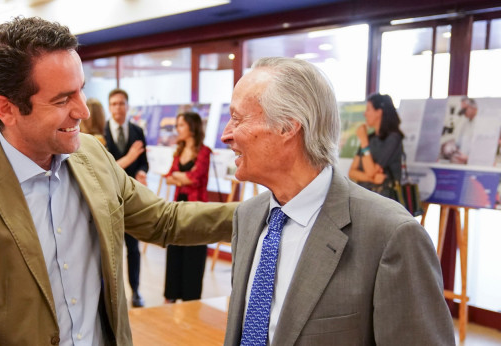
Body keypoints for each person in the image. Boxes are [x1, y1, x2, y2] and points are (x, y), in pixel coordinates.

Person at [0, 17, 235, 346]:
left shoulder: (92, 155)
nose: (82, 110)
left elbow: (164, 220)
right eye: (62, 99)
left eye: (81, 90)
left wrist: (264, 211)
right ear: (6, 109)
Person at [220, 57, 454, 345]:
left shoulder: (390, 235)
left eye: (238, 118)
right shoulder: (248, 217)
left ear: (287, 127)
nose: (225, 135)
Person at [103, 88, 149, 308]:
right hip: (107, 200)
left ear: (127, 106)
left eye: (121, 104)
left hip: (131, 199)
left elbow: (144, 162)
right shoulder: (99, 135)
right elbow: (103, 169)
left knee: (133, 248)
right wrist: (129, 157)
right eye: (113, 104)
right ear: (109, 107)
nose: (118, 108)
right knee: (110, 250)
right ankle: (113, 294)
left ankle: (136, 290)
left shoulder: (137, 131)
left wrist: (142, 172)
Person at [163, 112, 211, 302]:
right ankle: (171, 295)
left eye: (181, 125)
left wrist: (179, 177)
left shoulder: (204, 152)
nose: (177, 129)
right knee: (175, 251)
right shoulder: (178, 151)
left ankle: (190, 300)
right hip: (178, 208)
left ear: (192, 127)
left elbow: (195, 178)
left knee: (194, 255)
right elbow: (168, 178)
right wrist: (181, 177)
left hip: (196, 211)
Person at [348, 93, 404, 200]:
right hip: (365, 197)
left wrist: (364, 141)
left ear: (379, 112)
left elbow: (371, 171)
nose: (365, 114)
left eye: (368, 110)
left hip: (384, 200)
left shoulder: (393, 139)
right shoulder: (370, 138)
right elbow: (352, 172)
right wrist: (373, 179)